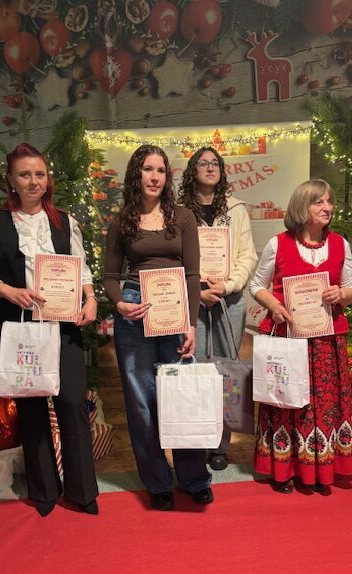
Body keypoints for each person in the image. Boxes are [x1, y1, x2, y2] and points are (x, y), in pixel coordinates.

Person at [0, 142, 99, 516]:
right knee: (31, 408)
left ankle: (82, 492)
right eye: (24, 175)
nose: (33, 181)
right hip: (19, 328)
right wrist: (9, 291)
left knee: (72, 403)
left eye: (39, 174)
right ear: (11, 180)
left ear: (47, 178)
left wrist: (90, 299)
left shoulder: (66, 222)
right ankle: (44, 493)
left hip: (63, 326)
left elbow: (82, 268)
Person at [103, 144, 213, 511]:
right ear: (136, 175)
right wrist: (119, 303)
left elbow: (193, 275)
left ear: (168, 177)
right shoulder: (121, 221)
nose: (155, 177)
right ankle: (157, 481)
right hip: (134, 309)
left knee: (182, 396)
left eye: (161, 170)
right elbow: (110, 275)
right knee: (141, 401)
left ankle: (194, 478)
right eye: (148, 169)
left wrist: (191, 323)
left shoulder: (182, 217)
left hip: (174, 308)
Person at [249, 178, 352, 494]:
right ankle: (284, 469)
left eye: (330, 201)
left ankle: (323, 468)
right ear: (302, 206)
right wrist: (274, 305)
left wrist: (342, 294)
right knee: (287, 402)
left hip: (326, 341)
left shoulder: (340, 244)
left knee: (325, 404)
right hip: (289, 339)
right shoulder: (278, 244)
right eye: (319, 202)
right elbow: (256, 285)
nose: (327, 207)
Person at [178, 147, 258, 471]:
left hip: (229, 301)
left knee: (226, 374)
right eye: (203, 163)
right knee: (195, 372)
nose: (210, 168)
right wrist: (197, 290)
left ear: (221, 171)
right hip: (192, 301)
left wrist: (227, 286)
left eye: (215, 163)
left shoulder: (236, 209)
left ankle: (220, 445)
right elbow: (175, 256)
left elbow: (248, 256)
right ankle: (198, 441)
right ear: (192, 170)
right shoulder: (178, 210)